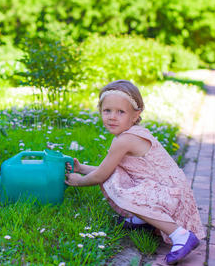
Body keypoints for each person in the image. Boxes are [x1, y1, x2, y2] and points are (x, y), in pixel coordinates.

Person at [64, 80, 205, 265]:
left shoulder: (125, 140)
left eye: (120, 112)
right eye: (107, 111)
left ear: (135, 115)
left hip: (172, 198)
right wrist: (82, 168)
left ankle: (180, 235)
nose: (112, 117)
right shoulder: (131, 134)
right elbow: (108, 170)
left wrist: (78, 181)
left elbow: (101, 175)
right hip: (167, 192)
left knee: (121, 191)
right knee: (117, 177)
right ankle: (141, 220)